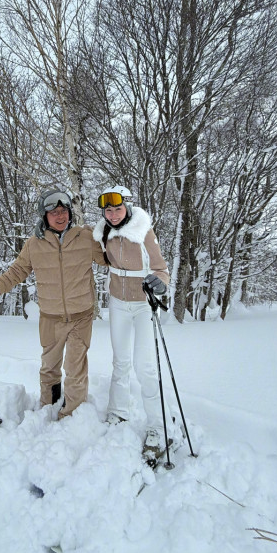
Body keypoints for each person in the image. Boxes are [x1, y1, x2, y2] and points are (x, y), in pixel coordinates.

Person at [0, 188, 106, 419]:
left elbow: (112, 258)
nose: (61, 216)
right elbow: (16, 272)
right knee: (49, 368)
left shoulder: (86, 237)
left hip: (81, 316)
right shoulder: (34, 244)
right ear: (44, 216)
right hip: (50, 318)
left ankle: (72, 416)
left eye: (64, 211)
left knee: (75, 369)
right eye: (54, 213)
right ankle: (48, 407)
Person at [93, 185, 170, 459]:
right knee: (120, 361)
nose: (113, 214)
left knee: (145, 366)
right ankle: (118, 412)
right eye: (108, 210)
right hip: (118, 302)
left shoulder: (143, 231)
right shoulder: (103, 232)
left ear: (128, 206)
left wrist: (160, 283)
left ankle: (158, 427)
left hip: (143, 303)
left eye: (117, 208)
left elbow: (161, 267)